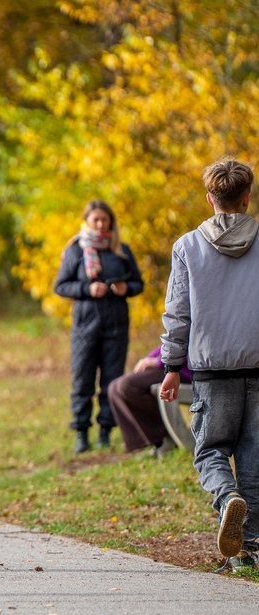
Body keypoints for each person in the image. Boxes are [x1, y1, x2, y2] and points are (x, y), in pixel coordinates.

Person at [160, 157, 259, 572]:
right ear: (247, 197)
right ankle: (249, 552)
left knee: (210, 451)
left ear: (209, 198)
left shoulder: (187, 246)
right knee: (255, 459)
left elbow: (178, 312)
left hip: (211, 370)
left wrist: (170, 364)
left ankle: (225, 498)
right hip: (257, 367)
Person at [54, 200, 144, 454]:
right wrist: (87, 288)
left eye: (105, 220)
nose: (101, 224)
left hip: (116, 326)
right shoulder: (75, 251)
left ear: (111, 222)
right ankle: (81, 433)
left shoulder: (121, 250)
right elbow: (60, 286)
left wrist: (126, 289)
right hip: (84, 326)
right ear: (87, 221)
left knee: (111, 380)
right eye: (96, 220)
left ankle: (106, 430)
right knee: (82, 381)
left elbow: (138, 283)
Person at [108, 345, 191, 457]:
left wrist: (157, 361)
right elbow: (168, 343)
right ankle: (151, 443)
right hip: (170, 364)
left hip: (184, 370)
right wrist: (148, 359)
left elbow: (185, 342)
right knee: (113, 387)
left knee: (126, 386)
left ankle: (163, 439)